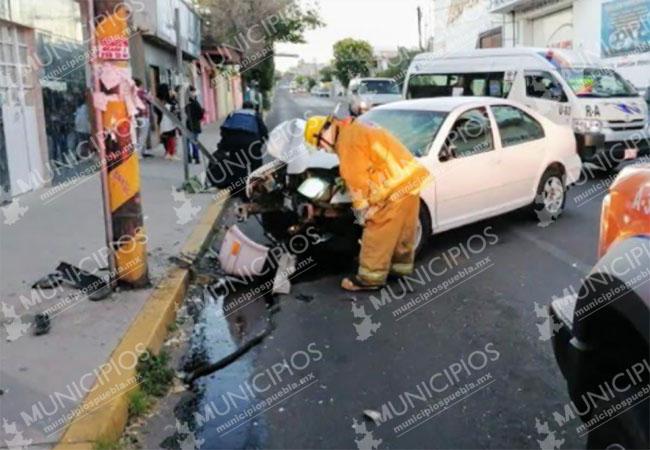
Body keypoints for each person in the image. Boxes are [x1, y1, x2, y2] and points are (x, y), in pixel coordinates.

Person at [304, 115, 431, 291]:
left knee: (377, 228)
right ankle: (398, 269)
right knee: (403, 229)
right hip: (409, 177)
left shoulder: (347, 141)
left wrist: (362, 211)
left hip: (392, 186)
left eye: (320, 144)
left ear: (324, 132)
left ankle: (370, 278)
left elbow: (356, 179)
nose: (323, 149)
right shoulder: (355, 126)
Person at [206, 102, 268, 196]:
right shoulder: (255, 114)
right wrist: (260, 143)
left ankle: (239, 193)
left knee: (239, 168)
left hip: (235, 143)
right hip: (252, 143)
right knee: (256, 168)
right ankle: (255, 191)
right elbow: (264, 131)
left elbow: (224, 130)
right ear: (253, 108)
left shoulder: (233, 113)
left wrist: (223, 146)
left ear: (242, 107)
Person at [185, 86, 205, 164]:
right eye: (192, 92)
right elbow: (200, 114)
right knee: (194, 142)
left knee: (188, 142)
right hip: (193, 125)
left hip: (187, 125)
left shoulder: (186, 103)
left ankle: (190, 158)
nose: (193, 93)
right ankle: (195, 158)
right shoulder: (195, 103)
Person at [158, 84, 179, 160]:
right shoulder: (169, 100)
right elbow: (174, 108)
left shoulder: (159, 100)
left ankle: (168, 152)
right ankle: (171, 153)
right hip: (169, 122)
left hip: (162, 121)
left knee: (166, 138)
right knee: (171, 138)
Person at [134, 78, 153, 158]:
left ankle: (139, 152)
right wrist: (150, 93)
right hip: (143, 116)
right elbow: (150, 99)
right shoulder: (141, 91)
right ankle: (138, 154)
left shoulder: (132, 92)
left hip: (136, 116)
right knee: (142, 135)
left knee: (137, 136)